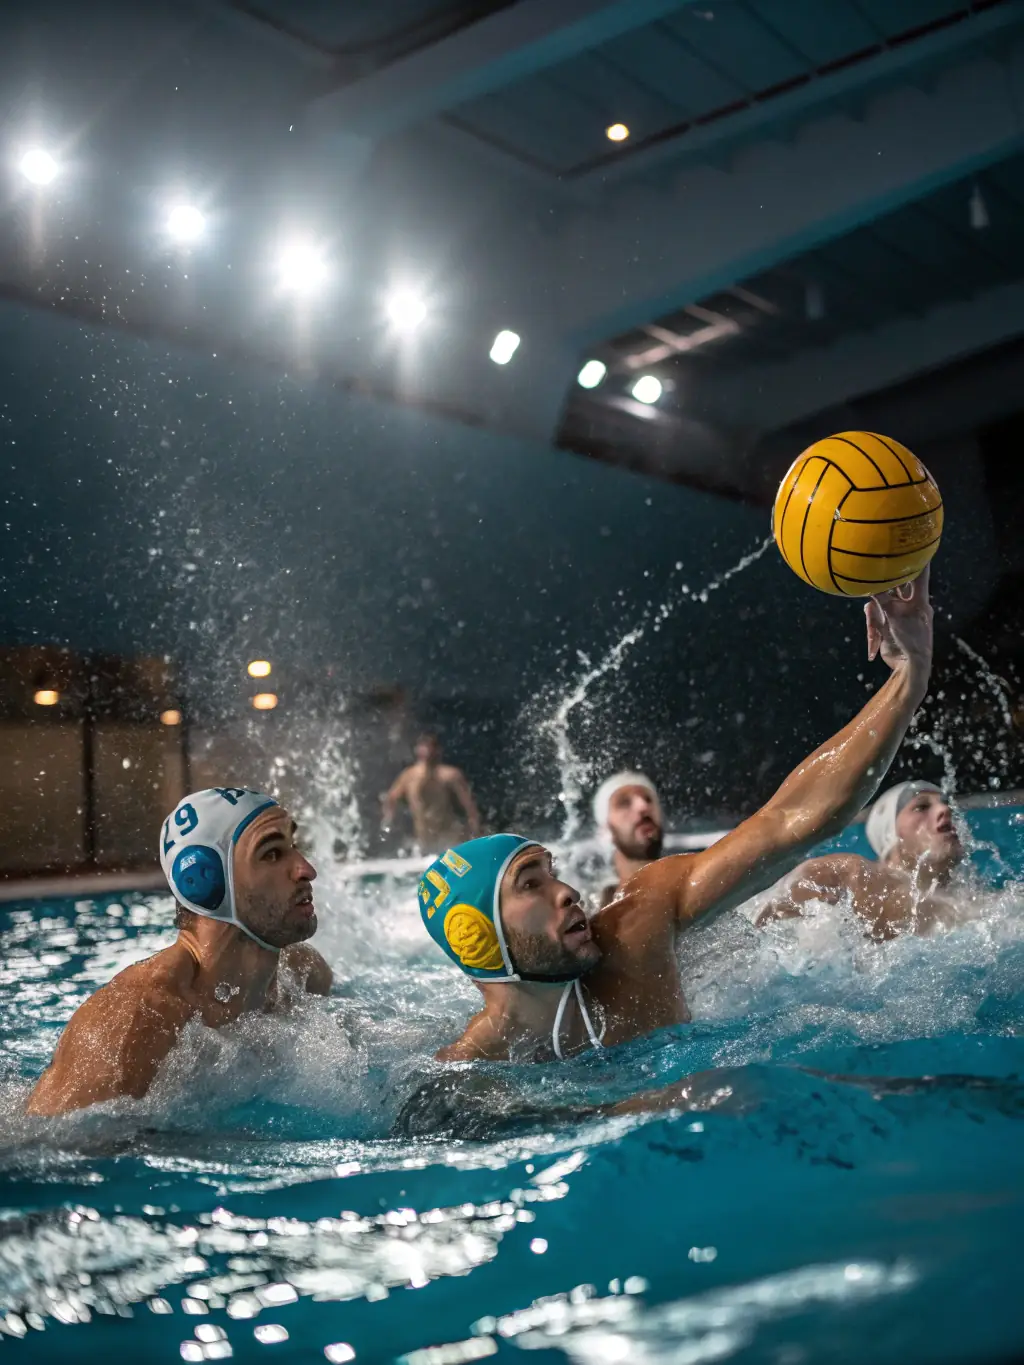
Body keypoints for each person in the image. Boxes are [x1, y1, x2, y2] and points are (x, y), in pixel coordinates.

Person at [417, 569, 933, 1063]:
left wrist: (910, 678)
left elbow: (791, 820)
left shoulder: (636, 928)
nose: (566, 891)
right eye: (531, 884)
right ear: (478, 937)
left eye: (551, 874)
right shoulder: (472, 1075)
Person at [26, 788, 332, 1116]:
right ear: (204, 881)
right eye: (271, 854)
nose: (306, 869)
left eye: (294, 846)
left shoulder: (302, 973)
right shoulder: (131, 1026)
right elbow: (56, 1153)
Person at [753, 779, 966, 939]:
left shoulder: (972, 898)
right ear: (889, 835)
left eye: (945, 803)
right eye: (921, 807)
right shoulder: (860, 876)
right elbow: (811, 877)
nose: (944, 809)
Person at [381, 732, 481, 853]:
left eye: (428, 748)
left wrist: (475, 832)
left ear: (438, 751)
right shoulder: (409, 776)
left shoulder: (449, 775)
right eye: (422, 748)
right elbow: (391, 799)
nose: (425, 752)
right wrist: (389, 821)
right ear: (416, 750)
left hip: (449, 838)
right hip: (423, 839)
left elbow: (470, 807)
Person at [592, 771, 664, 908]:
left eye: (648, 799)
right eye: (624, 803)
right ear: (606, 830)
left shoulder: (689, 879)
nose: (643, 806)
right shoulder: (595, 910)